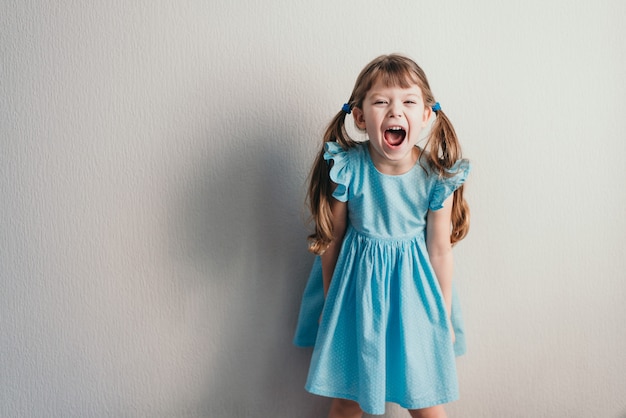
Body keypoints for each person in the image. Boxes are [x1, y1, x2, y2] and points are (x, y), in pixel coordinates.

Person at [293, 54, 471, 418]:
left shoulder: (436, 177)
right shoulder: (347, 167)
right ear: (360, 117)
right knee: (349, 400)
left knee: (425, 399)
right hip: (356, 296)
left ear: (425, 115)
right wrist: (331, 305)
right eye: (381, 102)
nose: (395, 111)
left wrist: (445, 314)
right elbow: (332, 240)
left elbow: (439, 251)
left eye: (408, 101)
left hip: (414, 297)